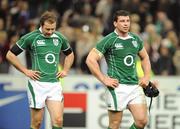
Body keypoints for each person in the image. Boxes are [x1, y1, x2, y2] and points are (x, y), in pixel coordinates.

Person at [6, 11, 74, 129]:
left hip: (54, 84)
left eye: (53, 29)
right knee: (37, 123)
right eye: (47, 29)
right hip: (37, 84)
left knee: (58, 120)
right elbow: (10, 55)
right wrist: (26, 71)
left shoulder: (59, 37)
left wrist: (65, 70)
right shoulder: (30, 37)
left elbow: (70, 54)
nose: (50, 32)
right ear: (41, 25)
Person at [86, 10, 151, 129]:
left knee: (142, 121)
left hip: (134, 85)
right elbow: (90, 59)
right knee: (115, 124)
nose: (126, 24)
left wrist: (146, 76)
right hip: (117, 87)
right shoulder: (109, 40)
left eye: (127, 21)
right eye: (122, 21)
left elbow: (145, 57)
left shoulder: (135, 39)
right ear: (115, 23)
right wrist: (104, 79)